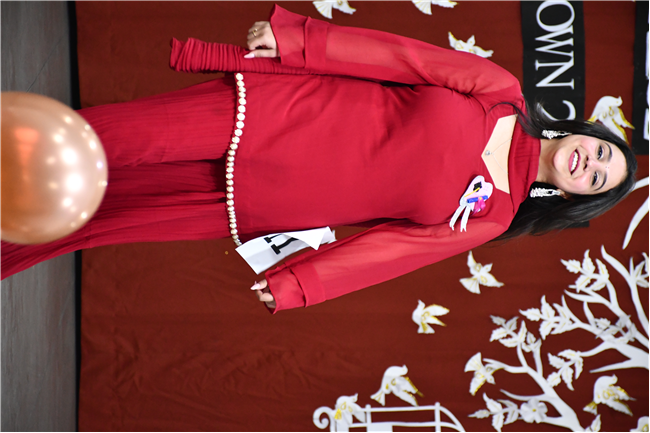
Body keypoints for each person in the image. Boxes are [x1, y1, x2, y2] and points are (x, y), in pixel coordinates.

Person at [0, 6, 637, 314]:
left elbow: (387, 254)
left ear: (575, 197)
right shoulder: (500, 93)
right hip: (275, 114)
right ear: (583, 132)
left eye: (597, 179)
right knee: (102, 140)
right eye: (600, 151)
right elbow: (400, 57)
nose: (589, 163)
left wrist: (300, 284)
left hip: (264, 203)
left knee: (105, 218)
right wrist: (300, 42)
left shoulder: (491, 217)